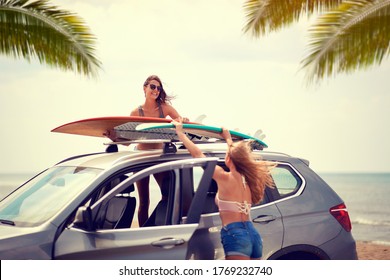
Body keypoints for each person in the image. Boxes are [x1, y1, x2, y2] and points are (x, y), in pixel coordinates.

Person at [172, 119, 274, 260]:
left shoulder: (224, 177)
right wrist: (227, 138)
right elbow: (235, 155)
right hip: (253, 235)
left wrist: (181, 134)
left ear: (229, 159)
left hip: (236, 235)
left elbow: (198, 155)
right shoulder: (248, 180)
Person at [130, 75, 188, 226]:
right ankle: (143, 232)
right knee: (144, 202)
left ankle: (160, 224)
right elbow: (127, 138)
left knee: (168, 195)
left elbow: (180, 122)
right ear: (145, 88)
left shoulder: (165, 108)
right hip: (141, 158)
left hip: (158, 157)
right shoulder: (136, 112)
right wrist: (113, 137)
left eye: (158, 88)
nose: (156, 90)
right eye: (152, 87)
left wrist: (184, 121)